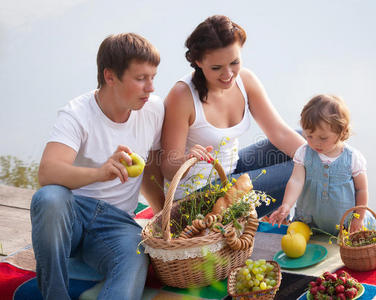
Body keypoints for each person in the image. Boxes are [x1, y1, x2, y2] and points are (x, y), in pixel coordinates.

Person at [30, 33, 165, 300]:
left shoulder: (154, 109)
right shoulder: (77, 113)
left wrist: (165, 216)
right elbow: (47, 172)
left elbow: (150, 170)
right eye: (140, 79)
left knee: (135, 257)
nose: (150, 87)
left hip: (118, 223)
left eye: (153, 77)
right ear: (110, 76)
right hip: (73, 214)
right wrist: (100, 173)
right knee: (49, 198)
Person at [161, 15, 305, 216]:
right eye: (216, 68)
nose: (228, 74)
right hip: (198, 196)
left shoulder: (245, 80)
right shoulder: (182, 95)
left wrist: (327, 158)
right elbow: (168, 168)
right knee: (300, 170)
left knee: (308, 141)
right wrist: (187, 158)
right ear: (198, 62)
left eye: (234, 62)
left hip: (233, 169)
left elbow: (279, 132)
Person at [269, 94, 376, 248]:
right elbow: (296, 181)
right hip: (310, 221)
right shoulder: (304, 153)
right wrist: (286, 204)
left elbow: (361, 190)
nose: (315, 142)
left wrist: (358, 219)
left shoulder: (352, 158)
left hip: (346, 222)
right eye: (309, 136)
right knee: (296, 240)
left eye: (323, 138)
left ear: (341, 132)